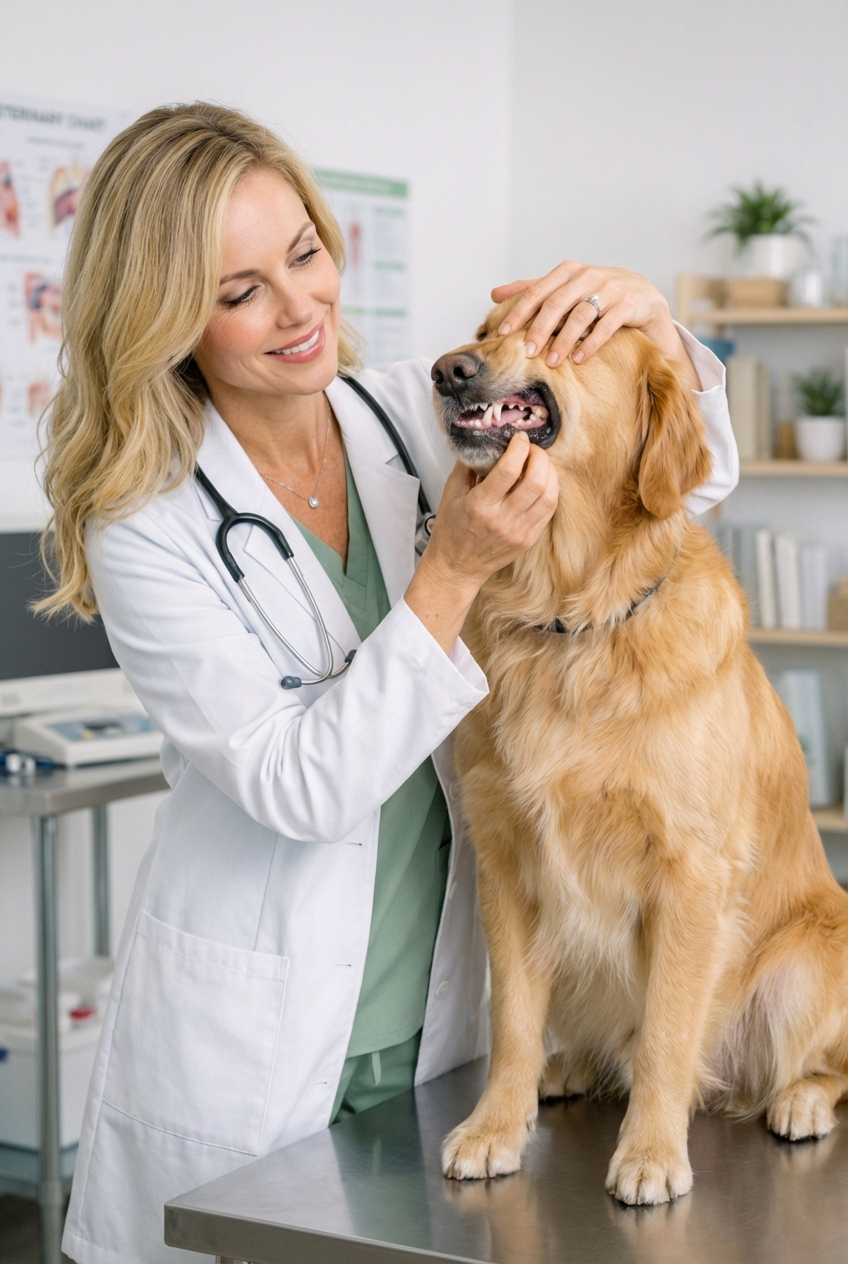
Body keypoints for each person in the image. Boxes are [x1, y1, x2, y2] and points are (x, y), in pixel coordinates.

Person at [43, 103, 738, 1264]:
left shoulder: (399, 413)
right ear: (166, 317)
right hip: (260, 1042)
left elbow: (664, 481)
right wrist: (453, 568)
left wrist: (647, 315)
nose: (300, 307)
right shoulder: (145, 526)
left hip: (436, 1029)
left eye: (305, 253)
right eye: (239, 290)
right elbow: (300, 784)